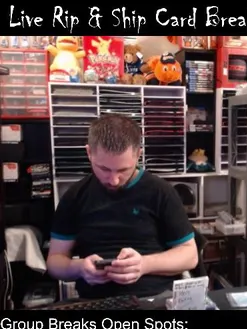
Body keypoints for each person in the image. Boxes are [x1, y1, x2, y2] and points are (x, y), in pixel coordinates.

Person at [45, 113, 198, 299]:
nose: (114, 180)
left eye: (123, 170)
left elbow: (190, 255)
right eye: (104, 169)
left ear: (138, 154)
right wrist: (78, 268)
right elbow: (54, 262)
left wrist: (144, 264)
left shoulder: (161, 192)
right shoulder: (75, 196)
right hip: (97, 301)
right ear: (89, 153)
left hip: (154, 297)